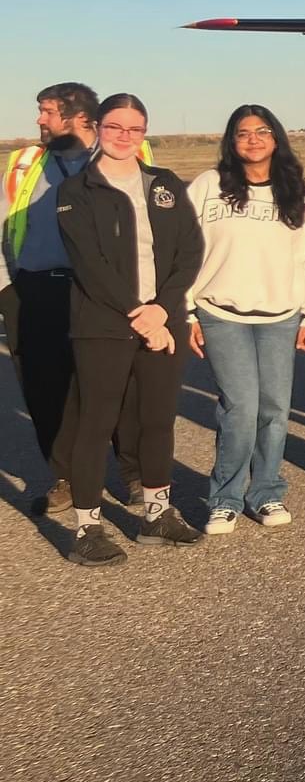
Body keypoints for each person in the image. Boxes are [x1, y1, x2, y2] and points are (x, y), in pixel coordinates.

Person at [55, 94, 203, 566]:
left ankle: (156, 515)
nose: (124, 136)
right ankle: (87, 529)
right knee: (96, 423)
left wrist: (162, 310)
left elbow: (190, 251)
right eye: (115, 127)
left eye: (135, 129)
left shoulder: (164, 183)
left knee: (157, 420)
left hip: (163, 321)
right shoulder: (77, 190)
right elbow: (89, 264)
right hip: (103, 324)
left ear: (144, 133)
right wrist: (139, 312)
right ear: (98, 128)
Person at [186, 105, 305, 533]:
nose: (253, 139)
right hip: (220, 312)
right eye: (243, 132)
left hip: (280, 316)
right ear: (231, 141)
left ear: (276, 138)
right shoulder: (209, 186)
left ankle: (265, 492)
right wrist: (185, 311)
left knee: (274, 409)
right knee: (241, 408)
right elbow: (182, 250)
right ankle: (224, 499)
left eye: (262, 131)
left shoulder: (295, 192)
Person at [2, 81, 120, 515]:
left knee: (112, 383)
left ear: (81, 118)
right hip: (33, 289)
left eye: (48, 111)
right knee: (44, 390)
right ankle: (66, 478)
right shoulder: (25, 163)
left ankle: (135, 473)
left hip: (99, 289)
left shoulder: (120, 157)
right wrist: (6, 289)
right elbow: (3, 223)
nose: (39, 120)